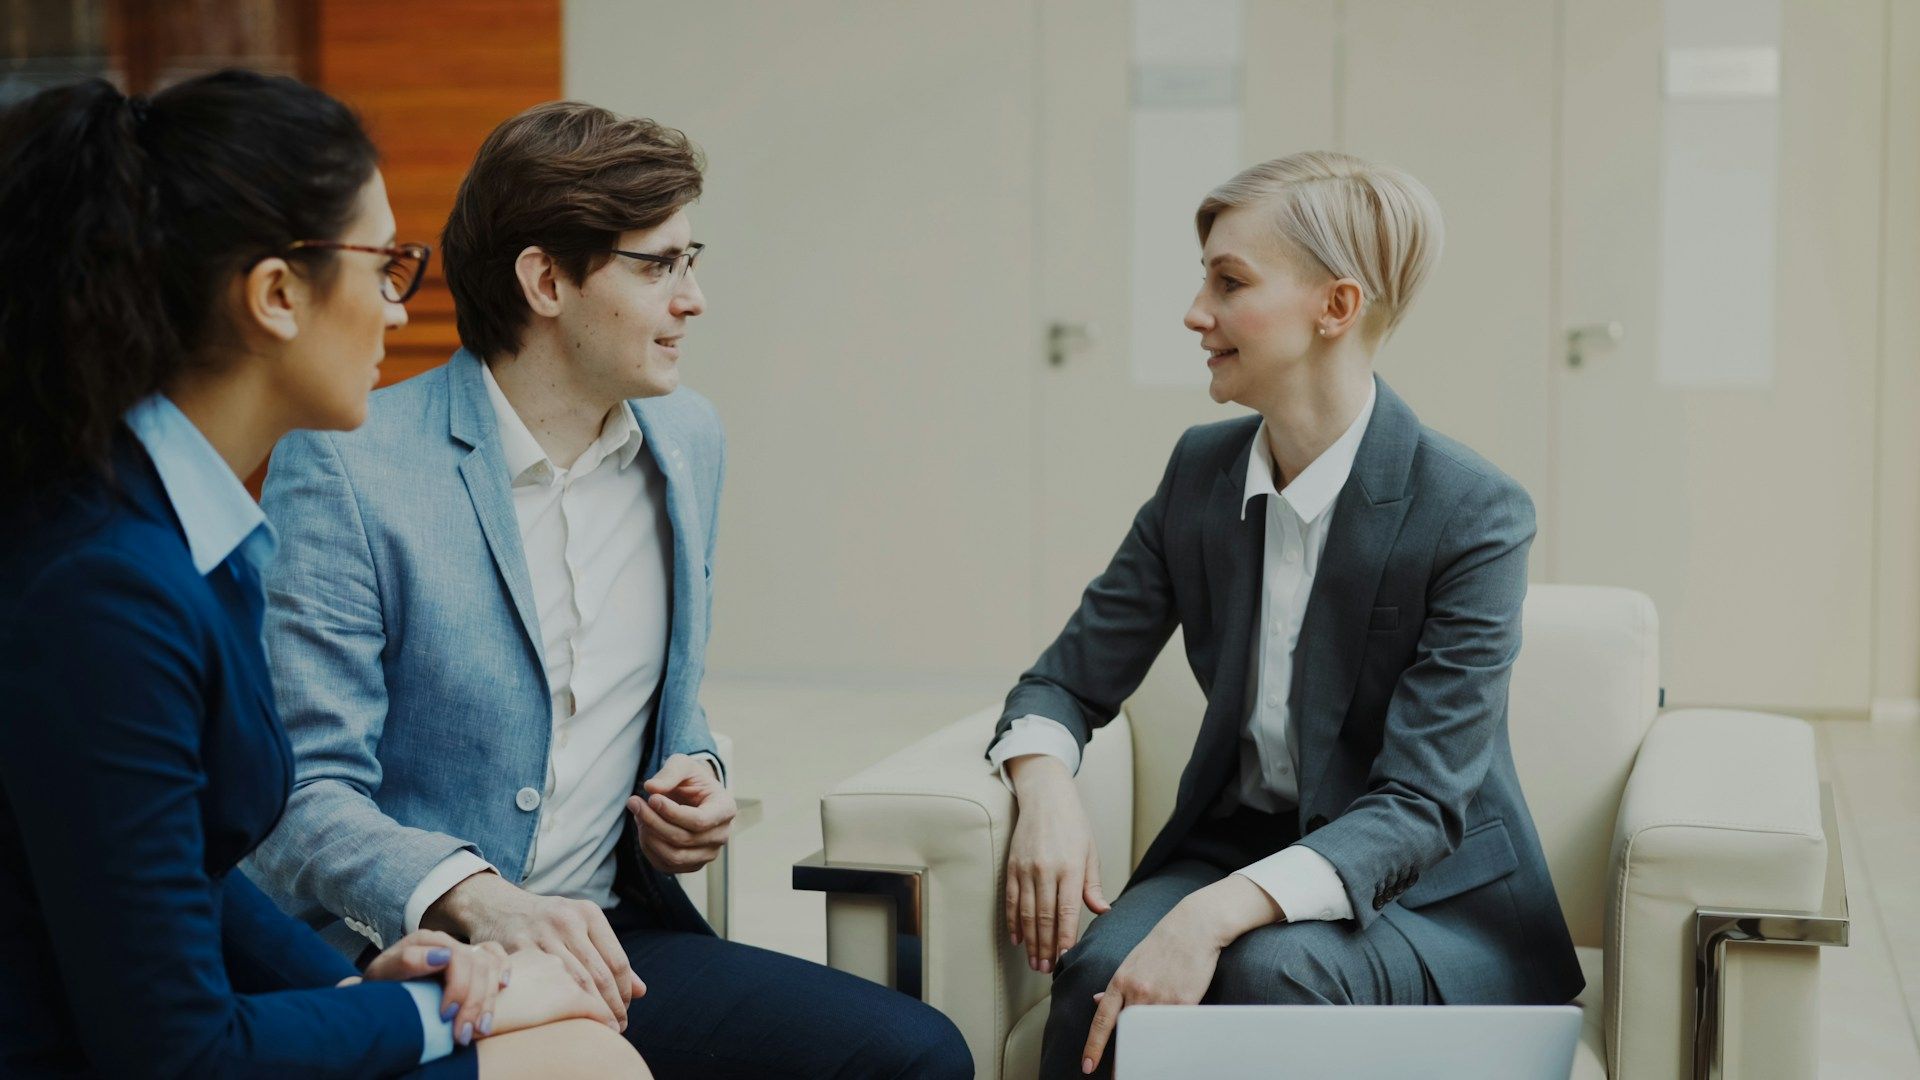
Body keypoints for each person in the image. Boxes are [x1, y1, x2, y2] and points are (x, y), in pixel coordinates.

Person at [244, 100, 972, 1079]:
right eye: (657, 264)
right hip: (419, 961)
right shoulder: (350, 466)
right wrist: (474, 894)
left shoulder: (688, 442)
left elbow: (662, 697)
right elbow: (303, 795)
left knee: (916, 1054)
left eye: (692, 257)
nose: (695, 297)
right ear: (545, 280)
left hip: (615, 940)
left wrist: (697, 775)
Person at [0, 73, 650, 1079]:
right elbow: (178, 1052)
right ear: (274, 295)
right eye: (386, 265)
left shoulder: (181, 527)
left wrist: (358, 983)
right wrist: (447, 1014)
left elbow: (188, 874)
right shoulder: (107, 592)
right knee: (582, 1058)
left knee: (579, 1041)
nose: (401, 309)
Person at [987, 151, 1584, 1077]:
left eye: (1229, 283)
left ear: (1335, 307)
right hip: (1234, 845)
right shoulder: (1200, 473)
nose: (1196, 313)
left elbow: (1422, 805)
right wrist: (1045, 790)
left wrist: (1210, 914)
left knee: (1272, 972)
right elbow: (1066, 679)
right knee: (1100, 977)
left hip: (1429, 898)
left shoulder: (1471, 512)